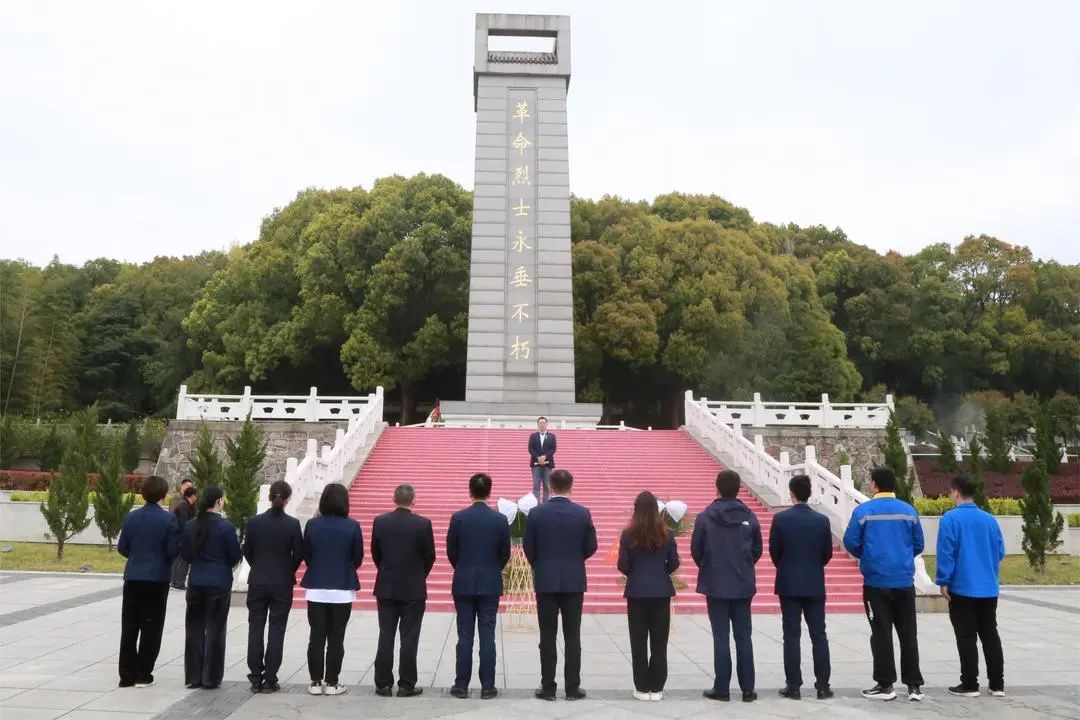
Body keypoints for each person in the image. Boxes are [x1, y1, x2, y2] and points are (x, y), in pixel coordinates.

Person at [843, 467, 925, 702]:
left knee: (881, 633)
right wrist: (902, 555)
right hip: (904, 581)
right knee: (909, 634)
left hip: (876, 581)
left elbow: (851, 542)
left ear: (874, 485)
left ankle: (885, 684)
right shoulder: (908, 511)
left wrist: (868, 555)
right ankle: (914, 686)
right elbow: (918, 544)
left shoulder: (864, 511)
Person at [524, 468, 598, 701]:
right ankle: (573, 688)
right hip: (573, 580)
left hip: (545, 580)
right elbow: (591, 546)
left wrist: (541, 564)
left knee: (547, 636)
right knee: (572, 636)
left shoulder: (536, 514)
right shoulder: (582, 513)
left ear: (549, 486)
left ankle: (548, 688)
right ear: (571, 486)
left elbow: (529, 547)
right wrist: (575, 560)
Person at [692, 469, 762, 703]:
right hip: (742, 583)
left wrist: (710, 566)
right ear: (738, 488)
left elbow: (697, 551)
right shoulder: (749, 517)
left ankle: (722, 688)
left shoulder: (705, 517)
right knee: (744, 636)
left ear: (718, 488)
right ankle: (748, 689)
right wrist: (742, 565)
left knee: (721, 636)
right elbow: (756, 551)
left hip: (716, 583)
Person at [936, 474, 1006, 698]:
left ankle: (969, 683)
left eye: (950, 491)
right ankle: (997, 684)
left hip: (962, 587)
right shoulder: (989, 520)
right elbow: (1001, 551)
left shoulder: (950, 519)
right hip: (988, 587)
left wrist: (943, 580)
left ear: (956, 492)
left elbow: (946, 553)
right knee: (990, 635)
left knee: (966, 637)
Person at [446, 473, 511, 700]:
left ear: (470, 491)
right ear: (489, 492)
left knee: (464, 635)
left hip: (463, 581)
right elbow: (505, 553)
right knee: (487, 635)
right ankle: (488, 686)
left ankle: (461, 685)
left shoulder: (459, 518)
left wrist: (463, 567)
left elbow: (451, 552)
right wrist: (493, 568)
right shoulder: (500, 520)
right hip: (490, 582)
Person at [769, 474, 834, 700]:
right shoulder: (822, 520)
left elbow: (774, 551)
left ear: (792, 493)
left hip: (789, 583)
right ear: (809, 493)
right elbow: (827, 553)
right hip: (814, 582)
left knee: (791, 636)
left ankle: (793, 685)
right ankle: (823, 685)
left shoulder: (781, 519)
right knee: (819, 635)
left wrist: (786, 567)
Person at [371, 484, 436, 697]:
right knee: (409, 637)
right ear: (413, 500)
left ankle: (383, 683)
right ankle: (407, 684)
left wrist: (387, 570)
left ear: (394, 499)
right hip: (413, 588)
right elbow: (430, 556)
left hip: (387, 586)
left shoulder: (380, 522)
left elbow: (376, 553)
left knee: (385, 634)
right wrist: (419, 575)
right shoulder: (423, 524)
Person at [116, 475, 181, 688]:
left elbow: (122, 547)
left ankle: (126, 675)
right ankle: (143, 673)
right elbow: (173, 550)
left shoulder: (131, 517)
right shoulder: (169, 519)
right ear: (163, 494)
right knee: (151, 627)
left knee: (129, 626)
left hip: (133, 577)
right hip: (157, 578)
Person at [301, 482, 363, 697]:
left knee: (316, 636)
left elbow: (307, 554)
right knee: (337, 637)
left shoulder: (312, 525)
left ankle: (316, 682)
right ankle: (332, 682)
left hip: (317, 586)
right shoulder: (352, 526)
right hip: (342, 587)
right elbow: (358, 558)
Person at [617, 491, 680, 702]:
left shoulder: (628, 534)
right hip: (661, 591)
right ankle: (657, 687)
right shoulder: (667, 534)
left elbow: (622, 565)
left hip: (636, 592)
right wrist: (660, 573)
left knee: (638, 641)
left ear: (636, 509)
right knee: (660, 642)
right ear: (657, 510)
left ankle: (642, 687)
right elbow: (674, 563)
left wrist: (636, 574)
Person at [242, 480, 303, 694]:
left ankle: (255, 677)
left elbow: (247, 550)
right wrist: (287, 570)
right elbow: (298, 553)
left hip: (258, 580)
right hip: (281, 582)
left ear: (270, 497)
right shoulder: (292, 524)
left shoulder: (254, 522)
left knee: (255, 628)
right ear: (288, 500)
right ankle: (270, 678)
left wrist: (258, 566)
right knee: (277, 630)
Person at [181, 485, 242, 690]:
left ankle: (193, 675)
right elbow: (234, 556)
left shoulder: (190, 526)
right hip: (218, 582)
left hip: (196, 580)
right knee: (215, 630)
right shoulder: (226, 527)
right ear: (218, 502)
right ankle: (210, 677)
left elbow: (186, 555)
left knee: (194, 629)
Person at [170, 481, 197, 590]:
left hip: (179, 537)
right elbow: (183, 523)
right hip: (181, 537)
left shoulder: (186, 505)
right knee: (182, 560)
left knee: (179, 560)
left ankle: (175, 581)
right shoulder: (184, 506)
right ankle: (178, 582)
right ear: (193, 495)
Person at [528, 416, 556, 503]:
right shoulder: (533, 436)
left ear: (546, 424)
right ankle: (536, 505)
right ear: (537, 424)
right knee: (536, 485)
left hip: (547, 464)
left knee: (547, 485)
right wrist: (538, 458)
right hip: (536, 464)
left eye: (544, 423)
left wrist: (545, 457)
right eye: (540, 423)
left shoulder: (552, 436)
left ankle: (546, 505)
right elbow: (530, 448)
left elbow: (553, 449)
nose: (542, 425)